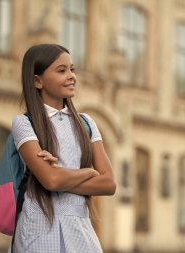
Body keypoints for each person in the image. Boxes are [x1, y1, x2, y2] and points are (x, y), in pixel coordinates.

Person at [9, 44, 116, 253]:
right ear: (37, 81)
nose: (71, 76)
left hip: (81, 234)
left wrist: (59, 175)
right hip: (38, 234)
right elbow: (51, 180)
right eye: (61, 70)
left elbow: (109, 183)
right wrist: (88, 172)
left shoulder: (87, 123)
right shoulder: (24, 124)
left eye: (72, 69)